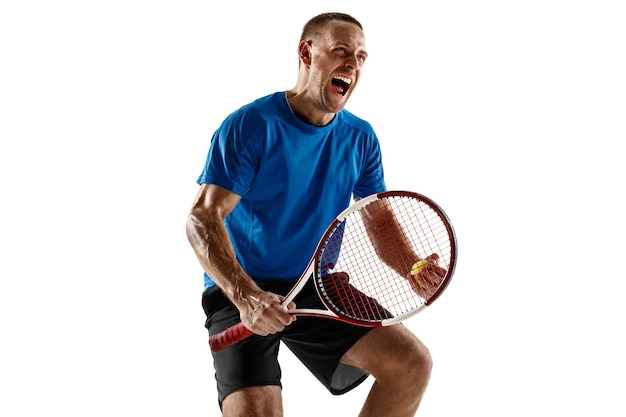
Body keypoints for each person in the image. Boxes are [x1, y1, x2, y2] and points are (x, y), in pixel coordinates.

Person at [186, 12, 434, 417]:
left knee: (411, 364)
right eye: (341, 51)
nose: (353, 64)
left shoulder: (360, 137)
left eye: (361, 56)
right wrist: (247, 298)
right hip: (242, 285)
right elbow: (202, 219)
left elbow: (380, 219)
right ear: (307, 52)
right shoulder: (251, 126)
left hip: (313, 285)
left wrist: (413, 267)